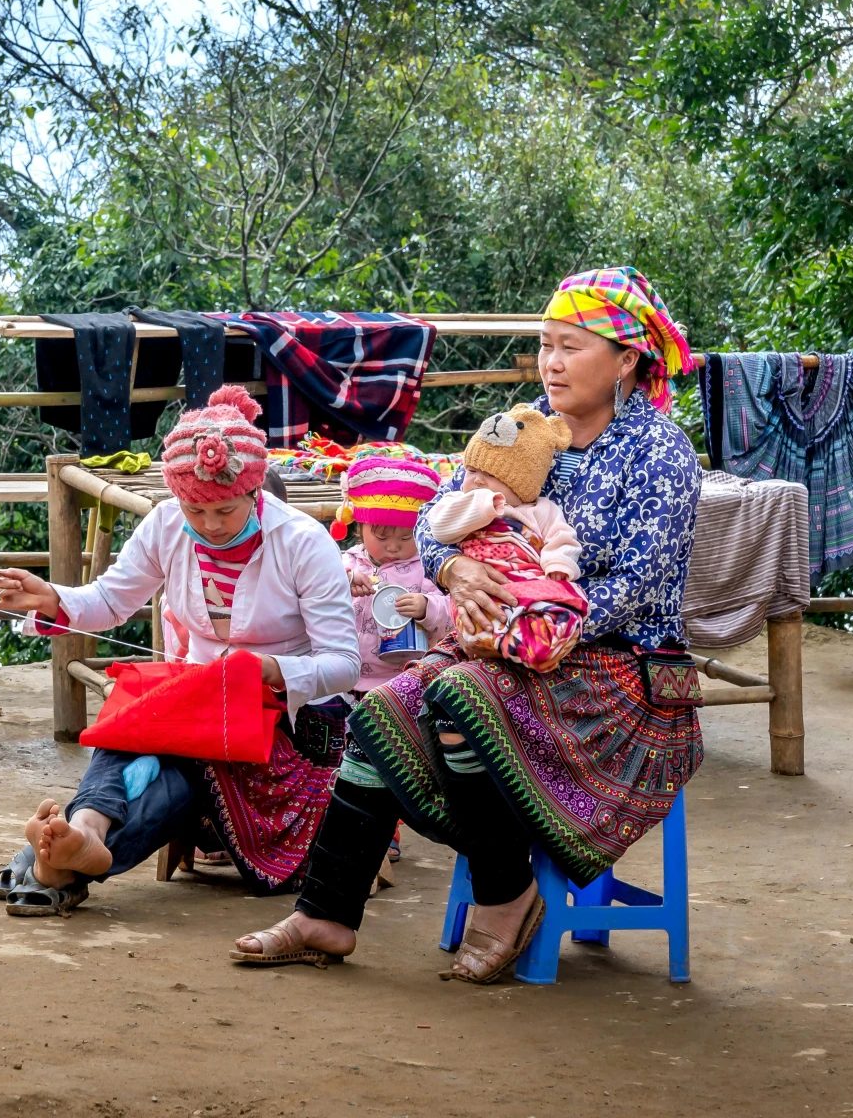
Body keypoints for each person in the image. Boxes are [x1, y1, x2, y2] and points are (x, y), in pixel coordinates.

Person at [232, 266, 703, 981]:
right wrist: (451, 570)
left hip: (618, 669)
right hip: (506, 655)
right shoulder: (518, 430)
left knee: (457, 697)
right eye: (546, 344)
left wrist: (534, 620)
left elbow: (641, 585)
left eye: (572, 346)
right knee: (385, 707)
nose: (551, 361)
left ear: (627, 359)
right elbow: (435, 516)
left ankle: (505, 895)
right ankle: (325, 913)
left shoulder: (659, 454)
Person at [0, 386, 358, 915]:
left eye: (224, 511)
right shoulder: (165, 524)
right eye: (194, 510)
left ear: (254, 493)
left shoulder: (303, 541)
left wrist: (269, 669)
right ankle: (86, 832)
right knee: (135, 720)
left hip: (281, 717)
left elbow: (343, 664)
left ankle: (67, 857)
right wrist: (53, 598)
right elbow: (110, 599)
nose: (208, 524)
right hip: (195, 699)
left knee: (183, 762)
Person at [424, 404, 586, 671]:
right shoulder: (457, 501)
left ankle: (537, 645)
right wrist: (482, 505)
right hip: (477, 589)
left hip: (528, 584)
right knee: (479, 616)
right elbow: (440, 527)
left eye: (491, 475)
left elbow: (562, 537)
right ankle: (501, 640)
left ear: (521, 484)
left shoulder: (541, 510)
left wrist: (558, 564)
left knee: (566, 603)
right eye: (472, 471)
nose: (477, 481)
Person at [332, 451, 452, 693]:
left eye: (406, 537)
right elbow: (315, 592)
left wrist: (427, 607)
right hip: (343, 677)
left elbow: (453, 609)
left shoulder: (428, 568)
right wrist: (343, 581)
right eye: (381, 536)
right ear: (360, 527)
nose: (393, 546)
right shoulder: (346, 562)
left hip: (405, 683)